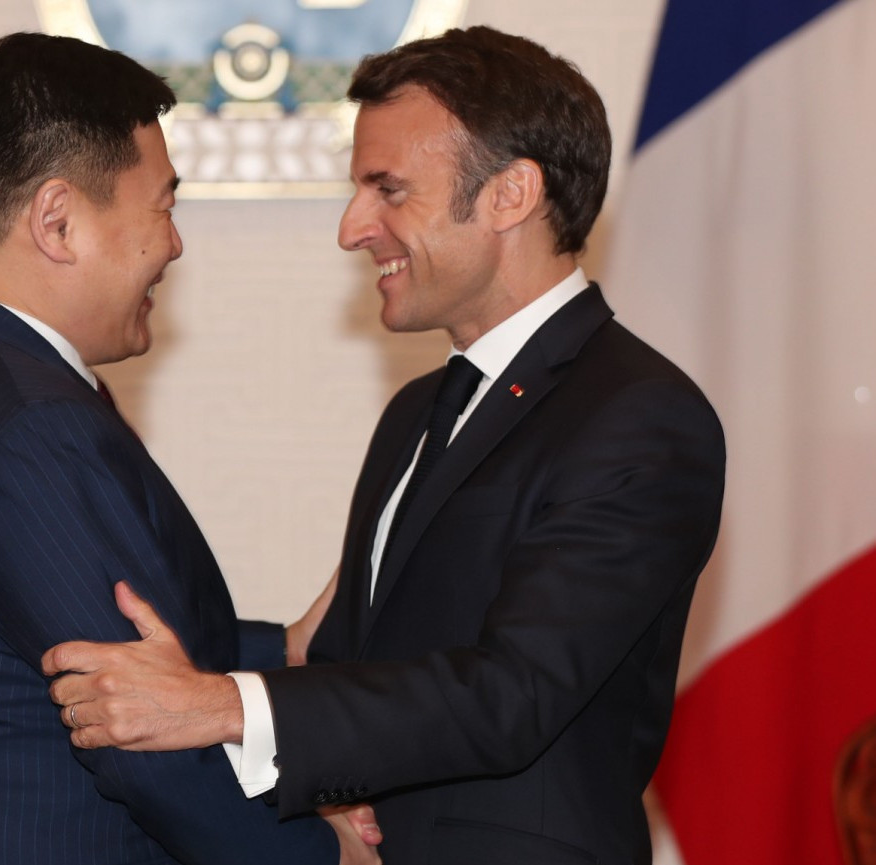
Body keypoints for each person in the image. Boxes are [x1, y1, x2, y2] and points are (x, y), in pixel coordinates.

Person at [42, 25, 727, 865]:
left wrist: (222, 704)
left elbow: (513, 695)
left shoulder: (639, 414)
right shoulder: (416, 412)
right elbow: (351, 665)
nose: (352, 227)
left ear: (511, 194)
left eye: (388, 189)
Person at [0, 32, 378, 865]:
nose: (174, 244)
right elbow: (148, 742)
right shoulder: (31, 426)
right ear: (58, 221)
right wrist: (327, 854)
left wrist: (284, 649)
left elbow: (71, 625)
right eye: (163, 205)